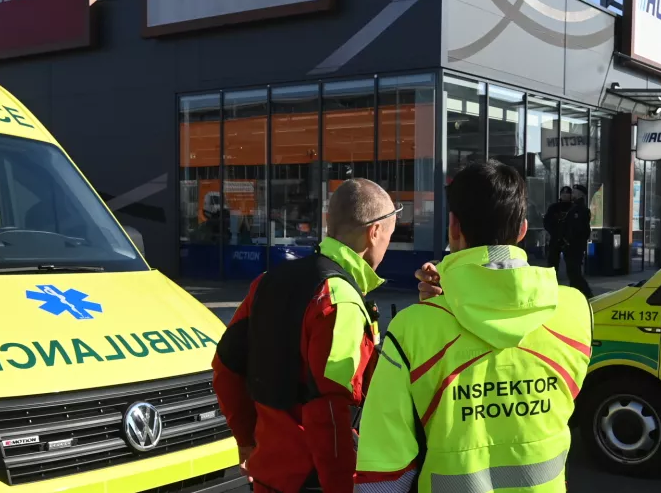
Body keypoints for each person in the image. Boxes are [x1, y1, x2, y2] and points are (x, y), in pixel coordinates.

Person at [355, 160, 593, 493]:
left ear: (453, 227)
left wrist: (449, 293)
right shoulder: (574, 310)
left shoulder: (412, 328)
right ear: (522, 230)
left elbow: (385, 471)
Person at [212, 179, 400, 493]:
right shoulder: (339, 299)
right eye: (390, 236)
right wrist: (341, 486)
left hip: (269, 474)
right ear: (375, 231)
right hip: (315, 478)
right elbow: (329, 409)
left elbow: (226, 368)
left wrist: (246, 440)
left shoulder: (267, 281)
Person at [543, 185, 593, 298]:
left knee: (574, 272)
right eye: (563, 193)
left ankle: (586, 294)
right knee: (554, 268)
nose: (567, 195)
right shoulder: (555, 208)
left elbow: (580, 229)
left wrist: (568, 240)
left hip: (572, 245)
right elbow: (548, 223)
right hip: (558, 241)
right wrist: (557, 234)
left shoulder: (578, 209)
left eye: (570, 193)